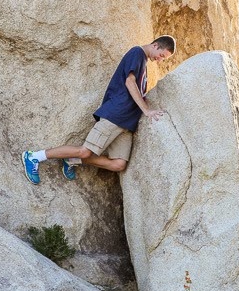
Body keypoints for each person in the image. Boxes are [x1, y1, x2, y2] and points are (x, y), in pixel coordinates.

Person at [21, 36, 176, 184]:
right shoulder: (137, 53)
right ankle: (34, 156)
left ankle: (71, 159)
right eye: (161, 55)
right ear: (155, 45)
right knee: (85, 151)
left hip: (126, 124)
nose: (160, 60)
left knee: (119, 164)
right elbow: (130, 82)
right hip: (116, 115)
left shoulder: (144, 63)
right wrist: (147, 110)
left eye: (164, 59)